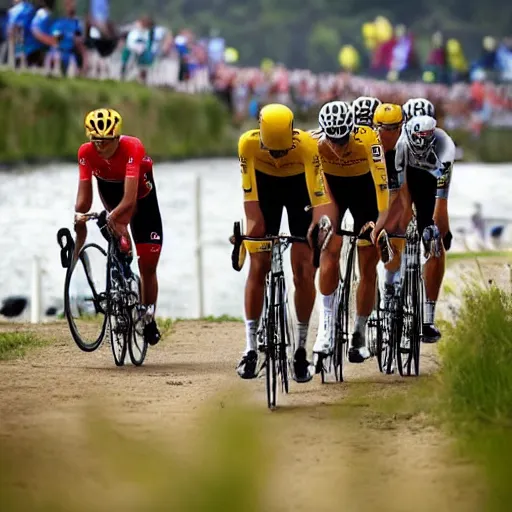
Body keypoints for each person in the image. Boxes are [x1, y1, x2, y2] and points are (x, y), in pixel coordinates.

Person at [236, 103, 333, 382]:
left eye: (282, 150)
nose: (277, 156)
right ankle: (251, 348)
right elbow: (251, 199)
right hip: (265, 190)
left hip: (298, 191)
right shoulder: (248, 144)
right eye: (272, 150)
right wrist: (254, 235)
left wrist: (316, 227)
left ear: (292, 135)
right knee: (258, 265)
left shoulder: (306, 147)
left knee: (304, 271)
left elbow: (318, 198)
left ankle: (301, 348)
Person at [74, 108, 163, 346]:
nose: (100, 146)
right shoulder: (86, 152)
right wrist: (79, 216)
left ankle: (149, 317)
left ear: (117, 138)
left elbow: (131, 199)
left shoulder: (133, 147)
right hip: (111, 195)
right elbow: (84, 199)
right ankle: (120, 272)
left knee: (147, 264)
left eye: (105, 141)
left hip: (141, 200)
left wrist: (114, 216)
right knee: (116, 232)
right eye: (95, 141)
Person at [311, 101, 389, 364]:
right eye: (333, 140)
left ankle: (359, 332)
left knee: (368, 265)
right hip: (334, 189)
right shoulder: (316, 143)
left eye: (343, 139)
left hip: (364, 193)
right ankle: (326, 327)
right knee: (329, 249)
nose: (339, 146)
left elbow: (382, 186)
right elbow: (310, 184)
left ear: (352, 129)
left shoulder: (368, 139)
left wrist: (379, 224)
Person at [382, 114, 455, 342]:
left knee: (434, 240)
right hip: (409, 178)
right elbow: (402, 190)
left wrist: (439, 231)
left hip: (431, 182)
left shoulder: (445, 147)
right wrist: (403, 219)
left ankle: (428, 320)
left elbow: (440, 204)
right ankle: (390, 283)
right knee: (397, 223)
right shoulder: (402, 143)